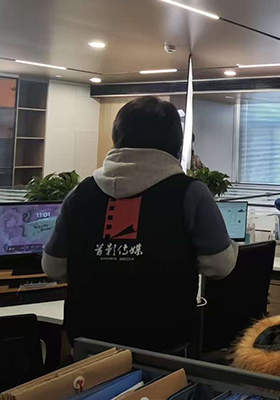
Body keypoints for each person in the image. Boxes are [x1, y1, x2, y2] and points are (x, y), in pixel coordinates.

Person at [42, 96, 238, 351]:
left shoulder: (81, 193)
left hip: (88, 343)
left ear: (116, 137)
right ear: (176, 144)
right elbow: (220, 265)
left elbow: (53, 266)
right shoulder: (190, 193)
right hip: (163, 344)